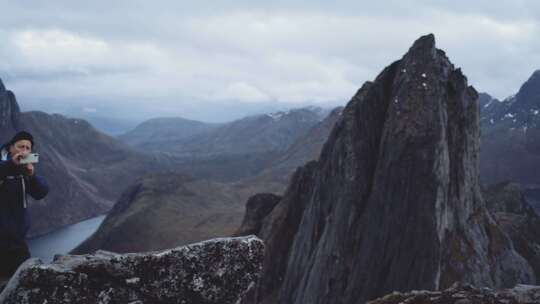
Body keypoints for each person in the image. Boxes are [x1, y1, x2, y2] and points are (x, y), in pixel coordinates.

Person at [0, 131, 49, 278]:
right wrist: (10, 164)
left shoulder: (23, 171)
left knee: (21, 283)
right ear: (10, 148)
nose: (25, 151)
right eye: (21, 146)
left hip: (17, 242)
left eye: (28, 148)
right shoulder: (4, 166)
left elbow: (41, 192)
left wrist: (32, 176)